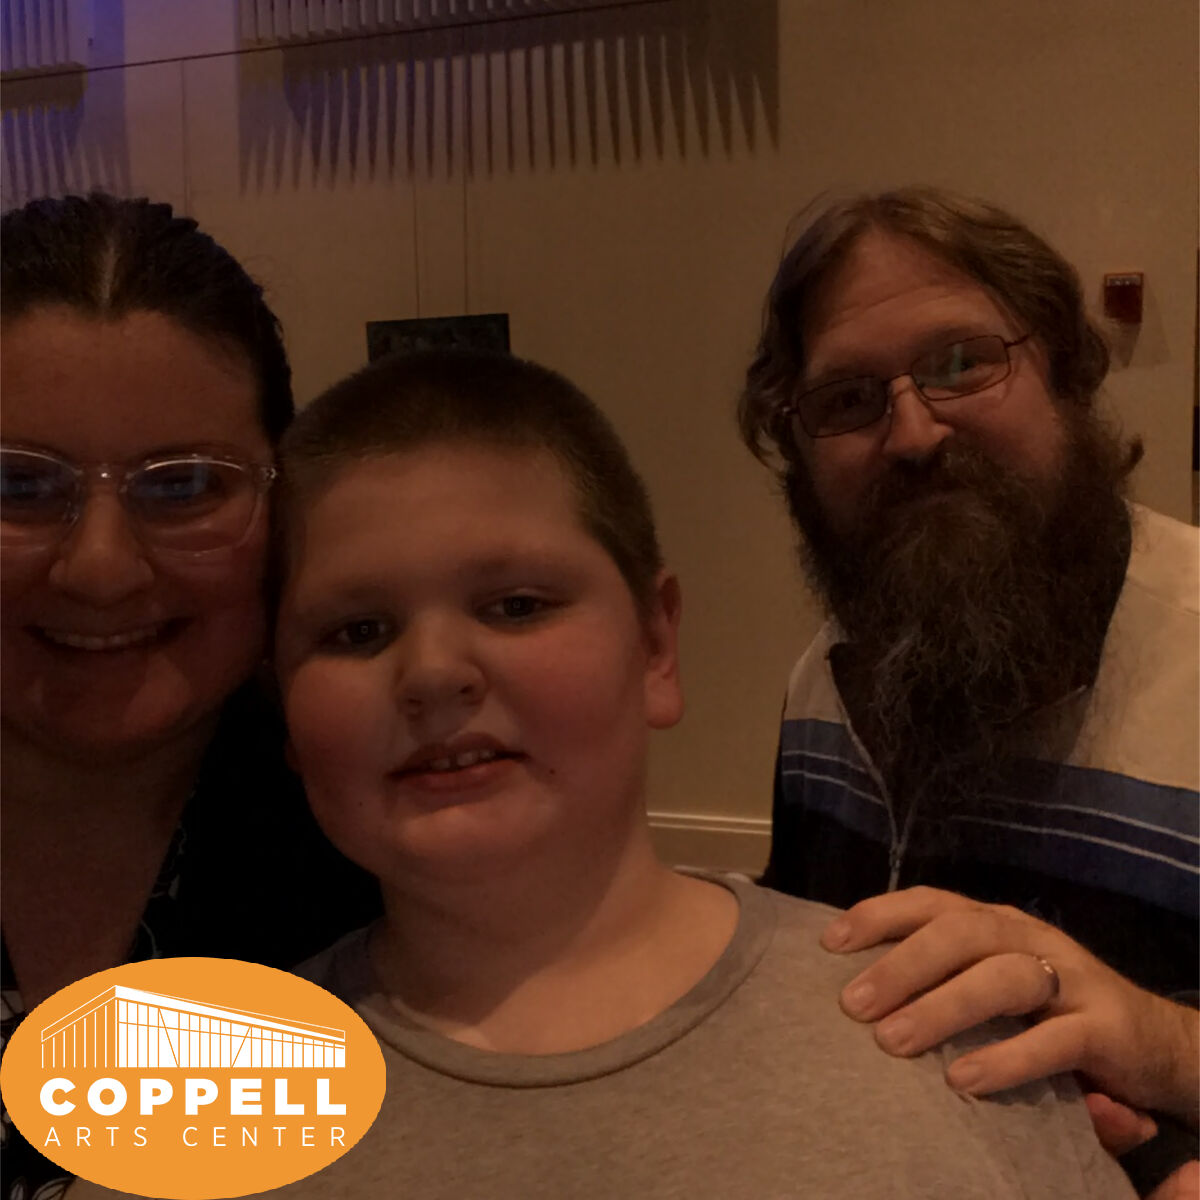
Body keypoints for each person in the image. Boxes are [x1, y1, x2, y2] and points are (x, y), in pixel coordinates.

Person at [256, 348, 1127, 1196]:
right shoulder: (206, 1095)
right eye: (356, 632)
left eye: (516, 606)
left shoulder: (936, 1029)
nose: (434, 672)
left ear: (655, 646)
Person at [737, 187, 1199, 1196]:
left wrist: (1161, 1043)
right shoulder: (824, 682)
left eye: (961, 363)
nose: (912, 433)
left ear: (1067, 370)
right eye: (847, 399)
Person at [0, 192, 382, 1199]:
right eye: (17, 486)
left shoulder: (395, 846)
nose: (99, 570)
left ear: (286, 503)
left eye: (181, 487)